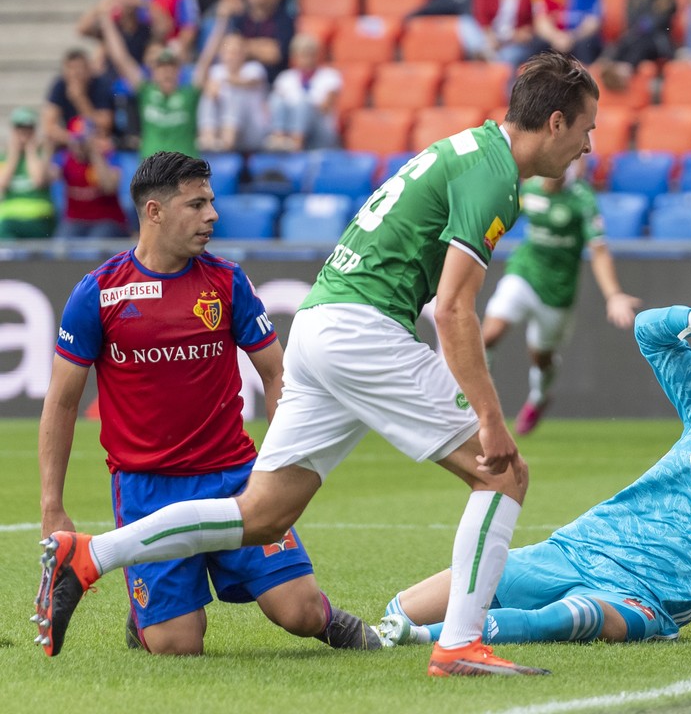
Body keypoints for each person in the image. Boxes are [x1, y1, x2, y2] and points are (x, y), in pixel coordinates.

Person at [37, 53, 601, 679]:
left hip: (318, 322)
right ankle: (462, 644)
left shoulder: (466, 149)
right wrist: (491, 419)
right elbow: (452, 309)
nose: (587, 146)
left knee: (263, 516)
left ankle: (88, 555)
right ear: (554, 122)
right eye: (585, 129)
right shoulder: (496, 176)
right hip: (364, 330)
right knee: (503, 475)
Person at [37, 152, 381, 655]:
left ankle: (333, 621)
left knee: (300, 613)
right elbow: (63, 403)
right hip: (147, 491)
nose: (212, 215)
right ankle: (147, 618)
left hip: (235, 480)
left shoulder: (227, 281)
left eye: (211, 202)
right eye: (196, 204)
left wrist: (282, 463)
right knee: (178, 647)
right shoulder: (99, 294)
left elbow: (276, 372)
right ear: (154, 212)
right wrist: (52, 504)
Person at [374, 304, 691, 649]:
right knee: (404, 607)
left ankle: (420, 640)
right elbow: (648, 330)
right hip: (578, 549)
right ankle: (392, 630)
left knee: (573, 619)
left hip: (641, 600)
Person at [483, 161, 640, 436]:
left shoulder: (582, 199)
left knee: (540, 357)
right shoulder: (529, 189)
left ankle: (539, 399)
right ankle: (478, 406)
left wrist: (613, 295)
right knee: (489, 335)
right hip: (523, 273)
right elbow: (499, 218)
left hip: (557, 292)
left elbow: (599, 250)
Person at [99, 6, 223, 160]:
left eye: (171, 68)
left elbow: (207, 59)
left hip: (184, 170)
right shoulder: (146, 91)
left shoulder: (189, 93)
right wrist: (107, 22)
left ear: (178, 72)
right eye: (161, 68)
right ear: (154, 72)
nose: (166, 73)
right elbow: (121, 59)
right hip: (152, 172)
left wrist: (222, 22)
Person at [0, 106, 56, 238]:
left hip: (39, 219)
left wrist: (30, 151)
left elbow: (39, 180)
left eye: (28, 129)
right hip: (10, 219)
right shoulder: (4, 158)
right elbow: (2, 183)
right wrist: (14, 154)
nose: (24, 133)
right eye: (20, 129)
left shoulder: (42, 154)